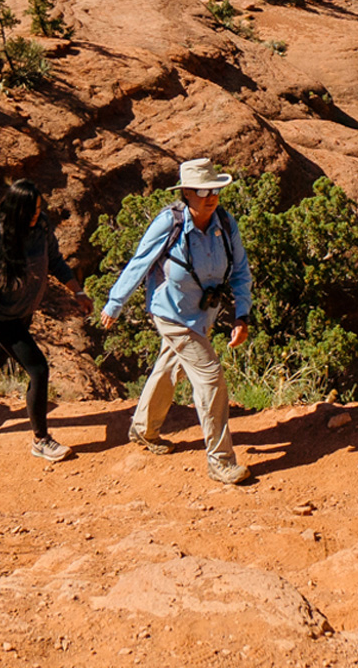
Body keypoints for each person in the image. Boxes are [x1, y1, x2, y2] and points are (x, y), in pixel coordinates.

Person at [98, 158, 255, 485]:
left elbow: (240, 271)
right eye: (202, 190)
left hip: (202, 314)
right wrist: (115, 303)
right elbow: (140, 262)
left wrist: (243, 315)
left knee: (171, 365)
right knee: (210, 377)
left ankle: (143, 429)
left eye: (215, 189)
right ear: (186, 192)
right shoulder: (169, 224)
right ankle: (220, 461)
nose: (210, 196)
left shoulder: (225, 224)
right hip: (170, 313)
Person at [0, 180, 79, 462]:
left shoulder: (41, 227)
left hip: (23, 312)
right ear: (15, 209)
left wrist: (78, 290)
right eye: (30, 210)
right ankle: (40, 440)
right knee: (38, 370)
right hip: (1, 318)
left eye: (38, 209)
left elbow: (56, 260)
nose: (36, 214)